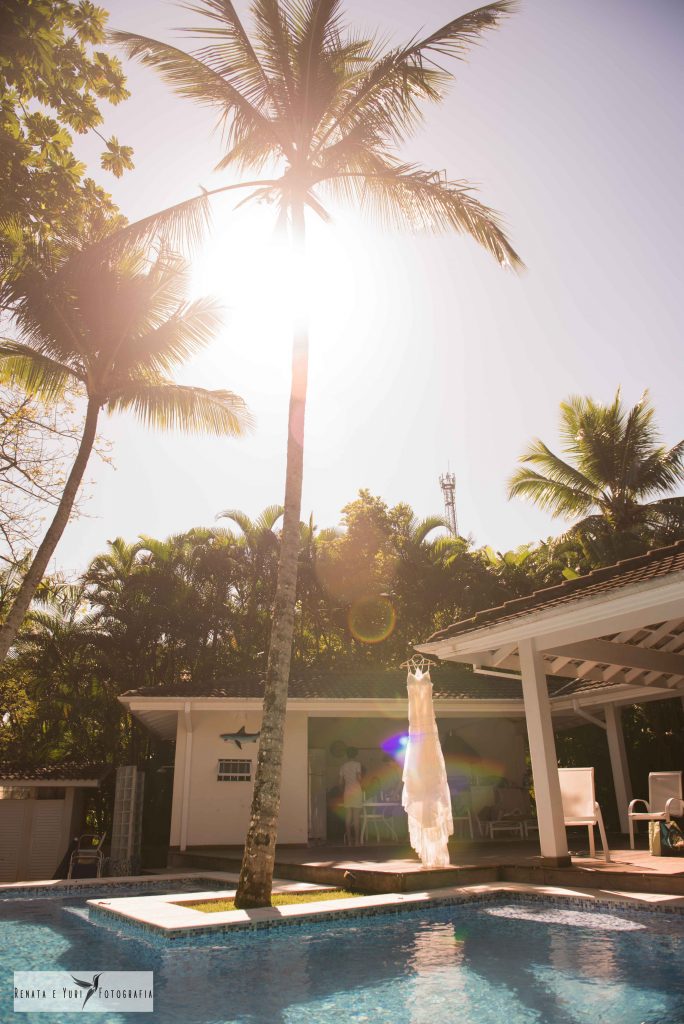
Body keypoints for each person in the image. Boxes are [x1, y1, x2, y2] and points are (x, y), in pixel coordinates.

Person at [339, 747, 363, 845]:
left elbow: (340, 782)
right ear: (355, 754)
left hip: (347, 791)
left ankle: (349, 840)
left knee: (348, 817)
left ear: (347, 755)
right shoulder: (357, 765)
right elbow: (359, 778)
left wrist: (342, 790)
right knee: (356, 818)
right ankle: (357, 841)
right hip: (356, 791)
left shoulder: (343, 766)